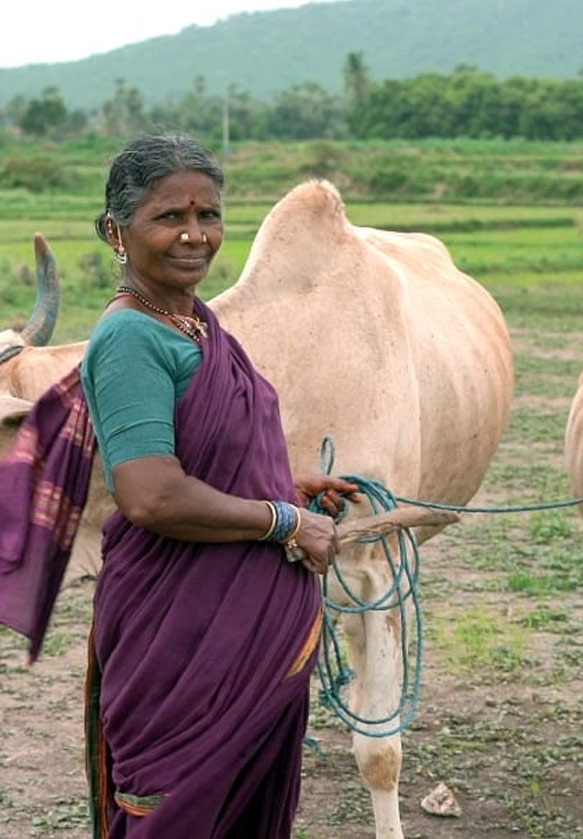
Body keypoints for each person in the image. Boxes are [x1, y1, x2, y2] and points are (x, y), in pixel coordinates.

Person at [75, 133, 357, 838]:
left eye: (209, 214)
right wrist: (287, 521)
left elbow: (200, 453)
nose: (194, 235)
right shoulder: (131, 339)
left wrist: (281, 481)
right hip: (182, 637)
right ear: (117, 230)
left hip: (239, 628)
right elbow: (152, 494)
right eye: (169, 217)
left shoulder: (196, 323)